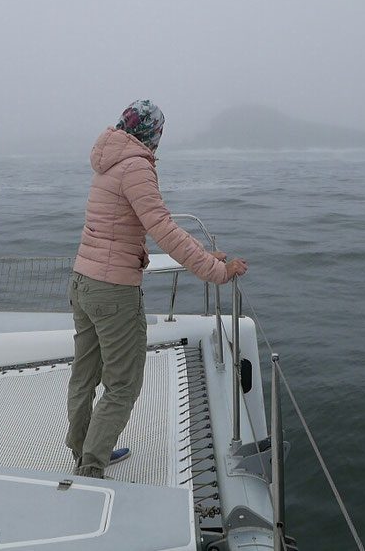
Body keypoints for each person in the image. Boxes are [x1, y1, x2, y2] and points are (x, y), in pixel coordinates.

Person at [66, 100, 248, 479]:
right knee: (123, 383)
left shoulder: (108, 161)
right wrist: (217, 270)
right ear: (153, 133)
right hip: (113, 292)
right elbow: (163, 229)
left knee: (85, 374)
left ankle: (83, 448)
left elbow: (120, 228)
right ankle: (92, 467)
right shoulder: (136, 166)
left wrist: (201, 251)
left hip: (83, 281)